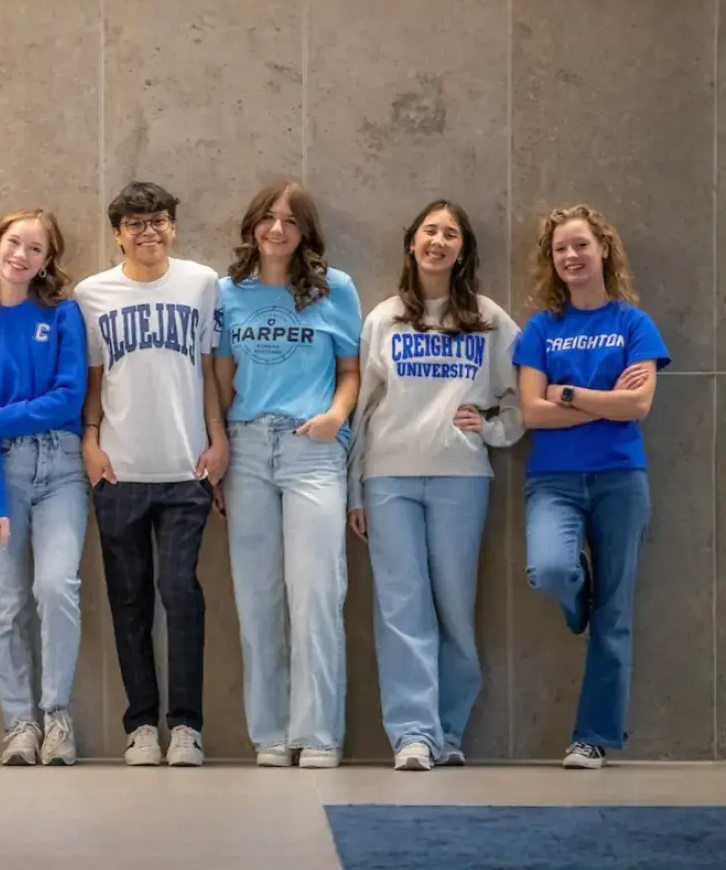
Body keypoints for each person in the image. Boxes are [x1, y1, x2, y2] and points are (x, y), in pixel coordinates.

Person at [347, 200, 523, 771]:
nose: (439, 241)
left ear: (463, 250)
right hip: (389, 478)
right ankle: (413, 736)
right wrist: (355, 491)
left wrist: (494, 427)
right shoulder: (383, 319)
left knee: (453, 609)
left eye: (451, 234)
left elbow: (526, 392)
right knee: (401, 609)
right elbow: (362, 412)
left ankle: (448, 730)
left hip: (461, 478)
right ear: (412, 242)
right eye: (430, 230)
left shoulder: (490, 320)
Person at [75, 181, 226, 768]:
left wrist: (219, 439)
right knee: (128, 598)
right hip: (119, 471)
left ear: (173, 226)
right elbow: (93, 379)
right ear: (117, 234)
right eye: (135, 224)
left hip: (187, 468)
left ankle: (186, 724)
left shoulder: (201, 283)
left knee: (181, 592)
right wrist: (90, 441)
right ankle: (141, 723)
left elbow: (210, 370)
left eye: (158, 220)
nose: (148, 232)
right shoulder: (92, 294)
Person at [513, 203, 668, 770]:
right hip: (552, 479)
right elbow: (530, 412)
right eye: (560, 249)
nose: (570, 256)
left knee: (616, 617)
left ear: (604, 249)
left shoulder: (634, 324)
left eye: (580, 245)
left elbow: (641, 404)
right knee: (551, 570)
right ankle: (577, 597)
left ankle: (592, 737)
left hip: (620, 479)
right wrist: (607, 406)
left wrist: (569, 395)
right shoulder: (541, 330)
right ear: (551, 262)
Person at [214, 181, 362, 769]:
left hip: (313, 449)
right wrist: (219, 446)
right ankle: (270, 735)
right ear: (252, 225)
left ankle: (319, 734)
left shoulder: (336, 290)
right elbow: (220, 381)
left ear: (307, 232)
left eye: (290, 221)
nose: (277, 230)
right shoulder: (227, 294)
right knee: (256, 599)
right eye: (268, 219)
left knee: (318, 594)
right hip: (246, 449)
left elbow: (350, 370)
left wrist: (334, 416)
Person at [0, 208, 88, 766]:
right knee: (4, 606)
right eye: (14, 243)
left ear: (48, 260)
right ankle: (19, 725)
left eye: (35, 248)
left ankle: (56, 716)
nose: (21, 255)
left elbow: (67, 399)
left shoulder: (63, 315)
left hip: (62, 468)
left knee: (56, 588)